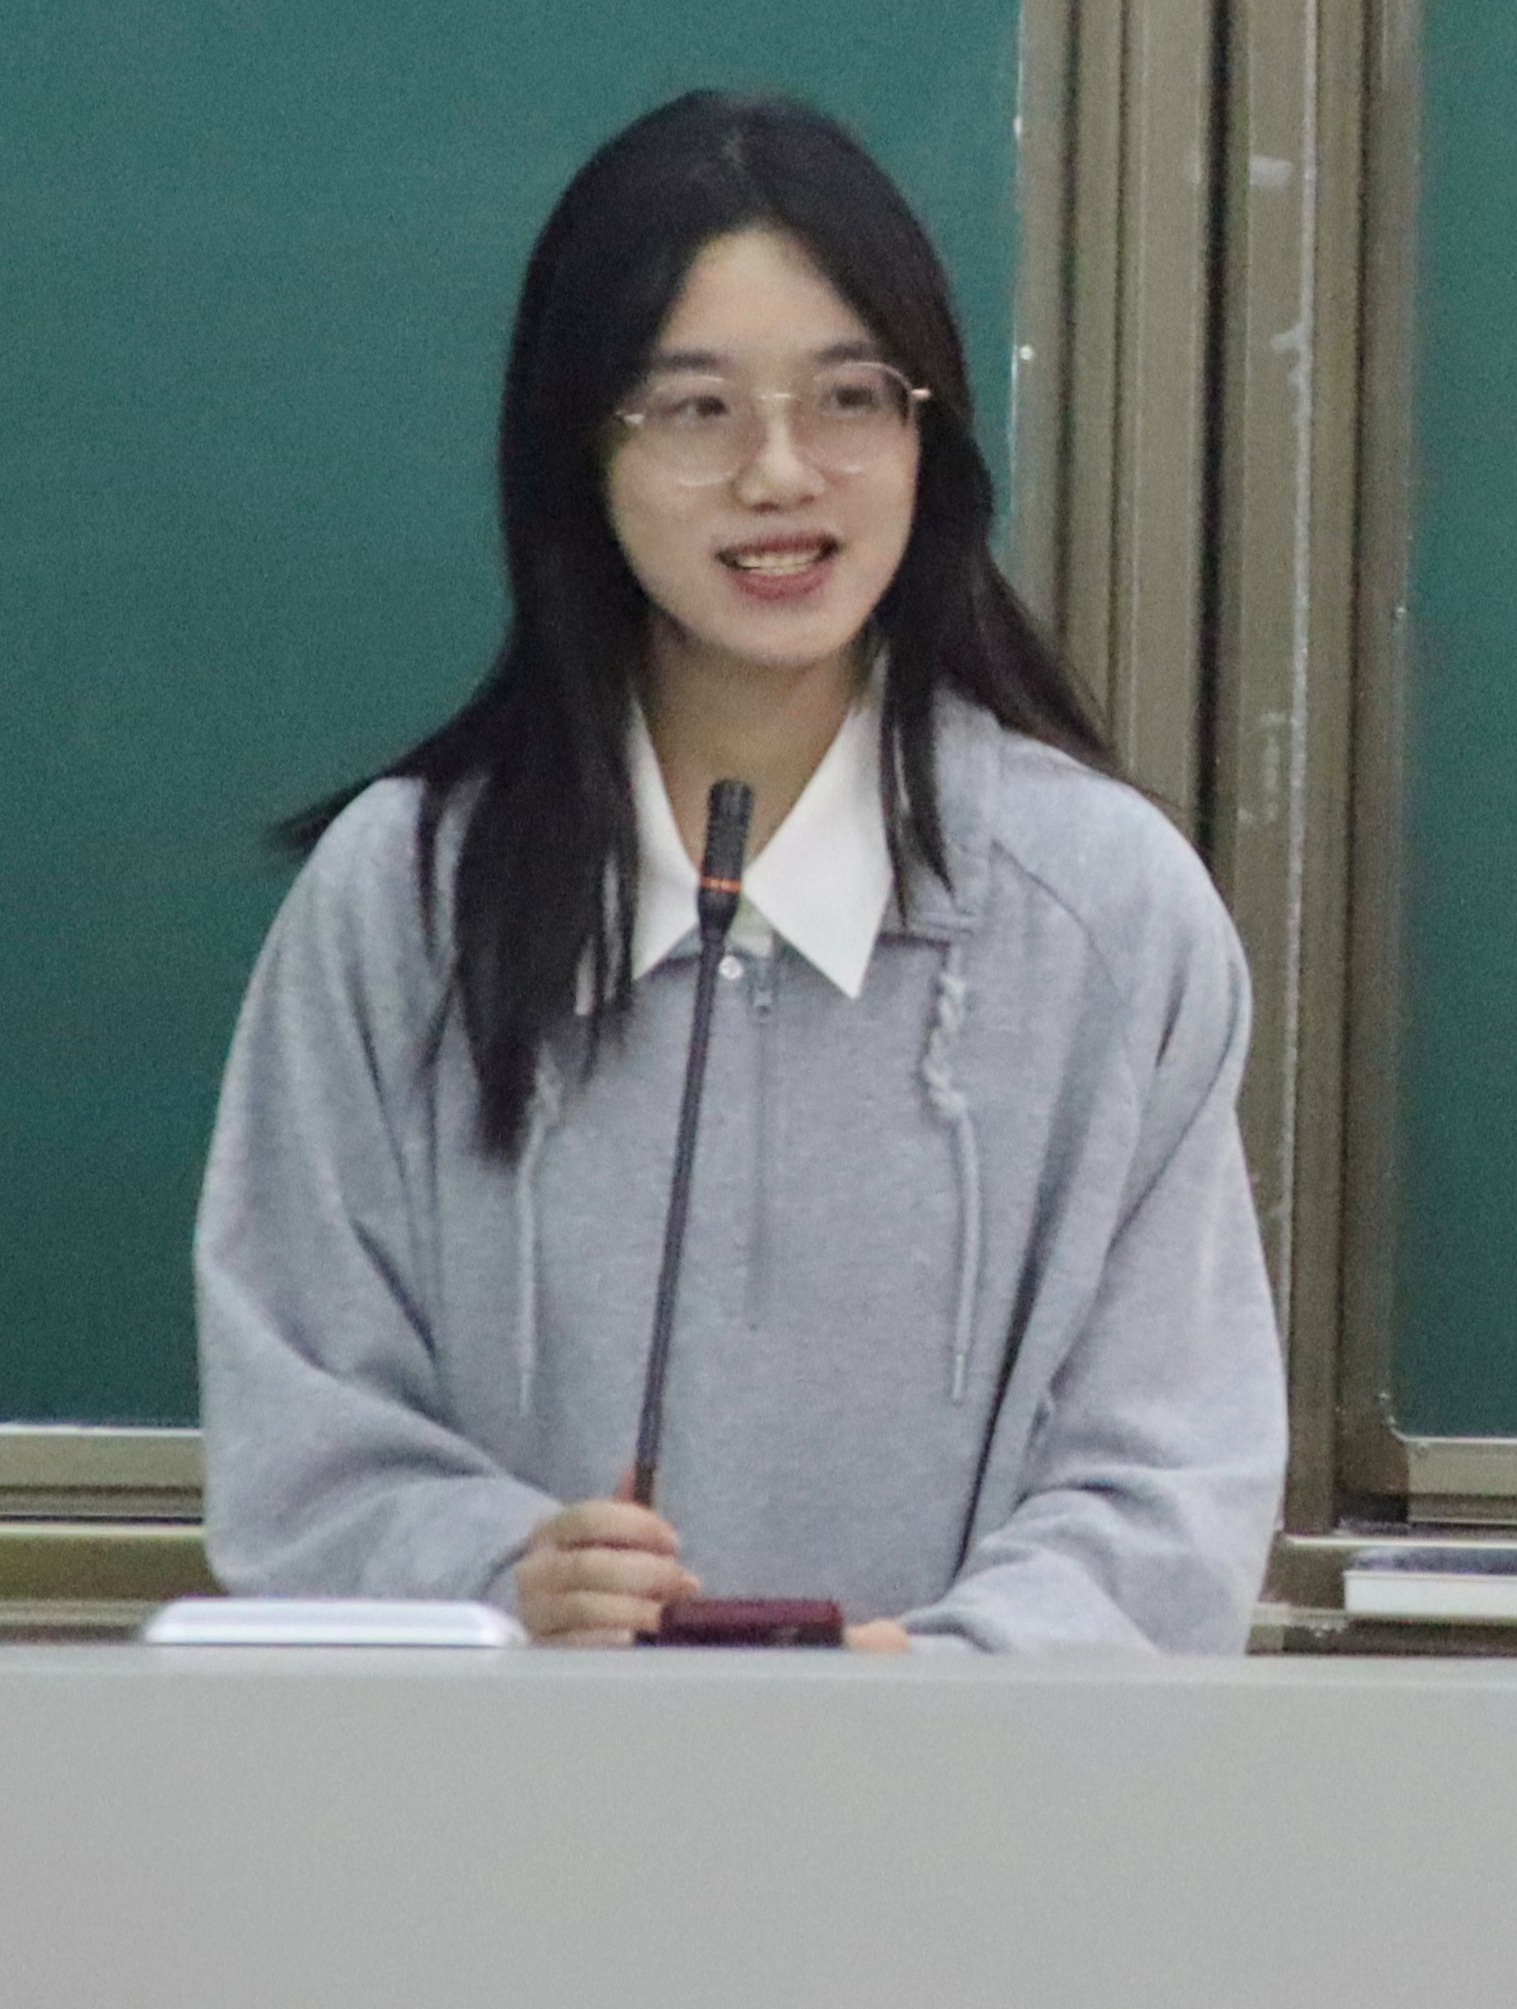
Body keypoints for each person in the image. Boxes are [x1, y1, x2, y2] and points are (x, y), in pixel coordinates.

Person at [194, 91, 1285, 1652]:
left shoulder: (1108, 913)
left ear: (926, 436)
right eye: (696, 409)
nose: (781, 475)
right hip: (508, 1789)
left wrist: (943, 1674)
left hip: (968, 1791)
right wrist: (503, 1575)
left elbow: (1174, 1482)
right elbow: (303, 1446)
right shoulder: (405, 900)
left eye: (848, 399)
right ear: (580, 447)